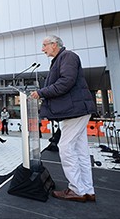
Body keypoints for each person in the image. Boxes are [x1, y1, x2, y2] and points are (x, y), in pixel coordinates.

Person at [31, 35, 96, 203]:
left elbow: (65, 82)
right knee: (80, 150)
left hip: (75, 111)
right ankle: (86, 189)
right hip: (75, 110)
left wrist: (41, 93)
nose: (42, 49)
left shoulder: (67, 57)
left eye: (44, 45)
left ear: (54, 44)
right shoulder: (62, 59)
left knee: (65, 147)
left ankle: (76, 189)